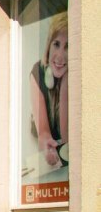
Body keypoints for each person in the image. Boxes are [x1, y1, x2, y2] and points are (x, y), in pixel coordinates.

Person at [31, 11, 69, 167]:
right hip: (39, 140)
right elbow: (44, 133)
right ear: (49, 45)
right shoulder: (37, 72)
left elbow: (67, 137)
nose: (60, 56)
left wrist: (66, 82)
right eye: (57, 44)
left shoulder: (74, 75)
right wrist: (47, 144)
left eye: (68, 47)